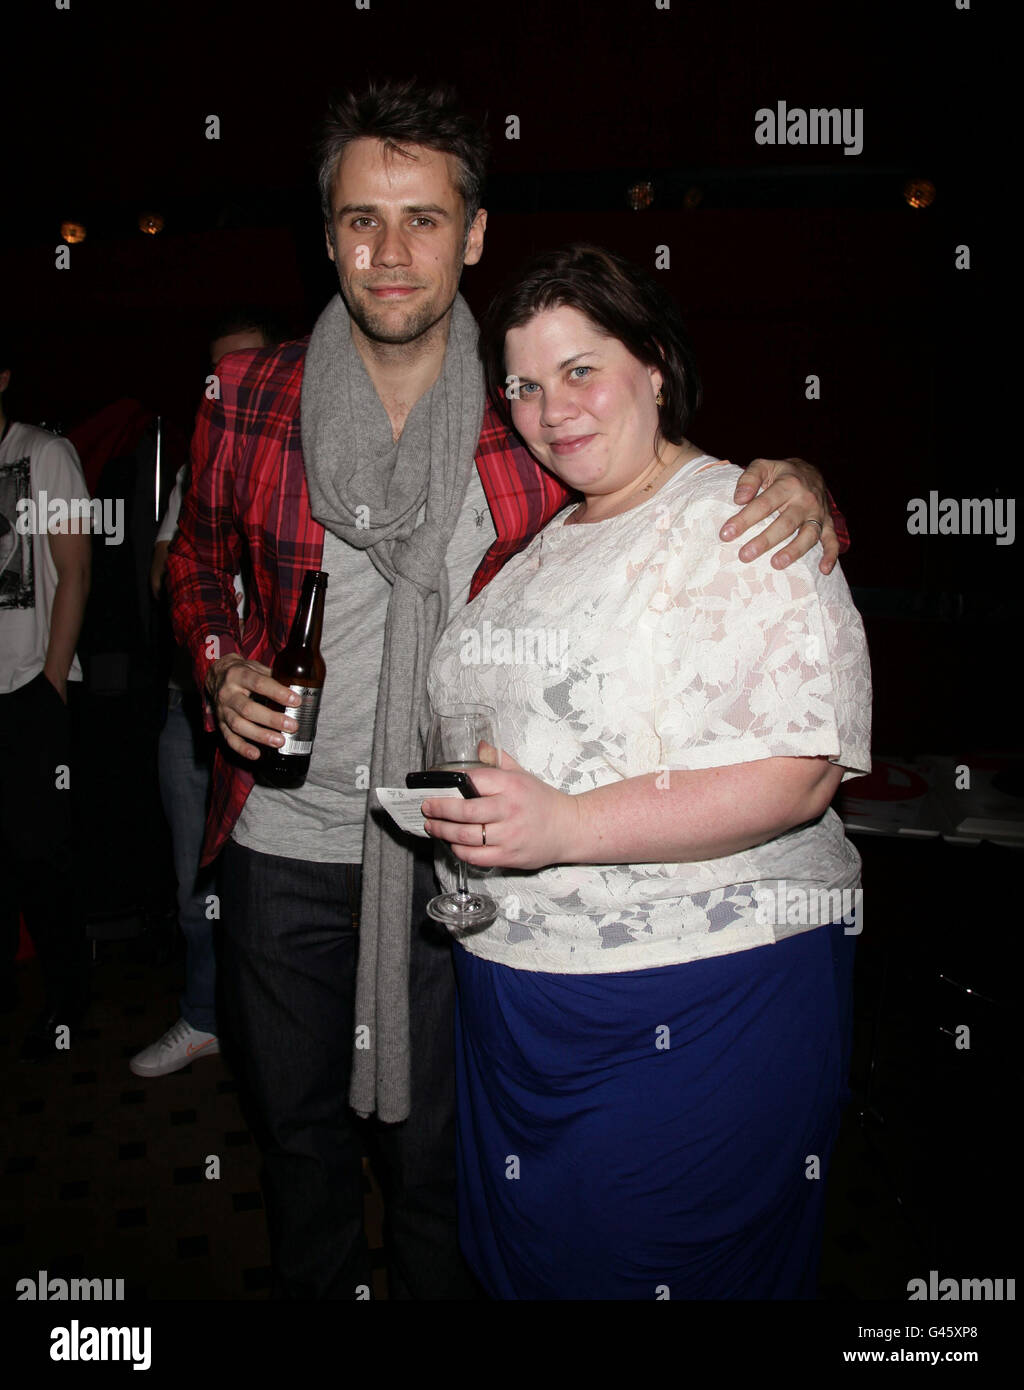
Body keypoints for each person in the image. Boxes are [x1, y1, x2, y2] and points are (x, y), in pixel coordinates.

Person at [166, 80, 846, 1300]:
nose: (389, 251)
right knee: (297, 1141)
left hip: (454, 856)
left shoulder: (523, 402)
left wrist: (798, 485)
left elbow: (667, 486)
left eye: (423, 219)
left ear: (473, 235)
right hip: (280, 840)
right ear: (324, 232)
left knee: (439, 1157)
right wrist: (218, 664)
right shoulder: (247, 398)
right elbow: (194, 565)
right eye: (360, 218)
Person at [419, 244, 872, 1300]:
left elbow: (799, 771)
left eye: (580, 370)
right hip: (513, 997)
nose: (548, 407)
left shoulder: (743, 518)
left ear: (654, 366)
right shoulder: (534, 545)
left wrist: (567, 823)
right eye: (523, 385)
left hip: (694, 999)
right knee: (532, 1272)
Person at [130, 311, 280, 1079]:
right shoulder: (201, 462)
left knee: (278, 902)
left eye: (249, 372)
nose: (235, 389)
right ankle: (201, 1017)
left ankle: (270, 1041)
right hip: (191, 713)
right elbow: (168, 574)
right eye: (220, 377)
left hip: (285, 722)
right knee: (197, 887)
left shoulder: (313, 456)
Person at [0, 348, 92, 1060]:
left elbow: (74, 570)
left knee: (42, 857)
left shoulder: (42, 453)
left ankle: (67, 1005)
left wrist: (51, 683)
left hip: (29, 686)